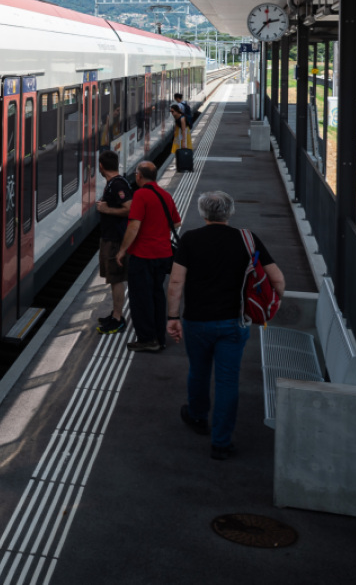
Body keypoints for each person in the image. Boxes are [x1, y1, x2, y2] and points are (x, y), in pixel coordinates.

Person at [167, 190, 285, 459]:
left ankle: (197, 417)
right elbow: (277, 279)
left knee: (198, 371)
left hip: (197, 322)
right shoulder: (247, 239)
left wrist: (173, 317)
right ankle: (221, 442)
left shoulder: (190, 239)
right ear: (229, 212)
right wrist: (270, 303)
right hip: (234, 322)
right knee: (227, 381)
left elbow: (176, 282)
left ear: (203, 213)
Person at [116, 160, 180, 352]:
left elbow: (134, 226)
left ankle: (147, 339)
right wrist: (158, 229)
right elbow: (176, 223)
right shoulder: (165, 195)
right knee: (156, 295)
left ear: (139, 176)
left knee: (141, 298)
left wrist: (122, 250)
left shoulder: (141, 195)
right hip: (163, 255)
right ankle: (159, 337)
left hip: (143, 256)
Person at [94, 149, 134, 335]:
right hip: (110, 237)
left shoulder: (118, 184)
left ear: (101, 166)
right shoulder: (114, 183)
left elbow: (129, 209)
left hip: (115, 239)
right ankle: (115, 314)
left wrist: (106, 209)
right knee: (112, 279)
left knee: (116, 279)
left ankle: (118, 319)